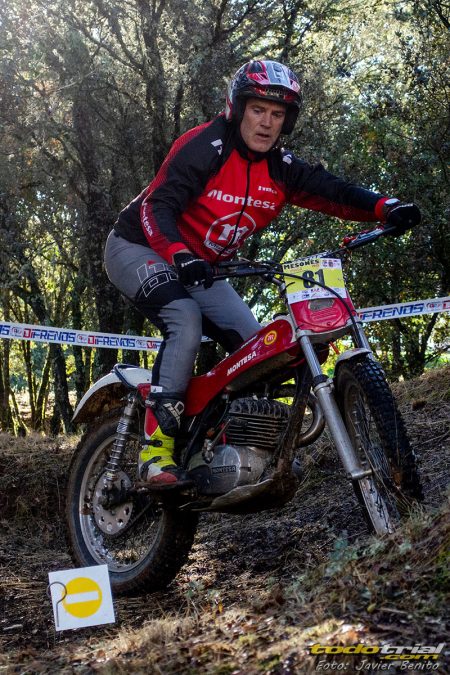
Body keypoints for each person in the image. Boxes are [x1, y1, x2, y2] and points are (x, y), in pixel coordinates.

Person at [104, 59, 421, 489]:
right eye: (258, 110)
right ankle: (154, 453)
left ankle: (208, 448)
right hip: (137, 246)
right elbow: (155, 206)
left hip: (203, 266)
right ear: (237, 110)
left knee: (256, 349)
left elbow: (333, 190)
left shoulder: (281, 167)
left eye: (277, 114)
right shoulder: (205, 147)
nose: (267, 123)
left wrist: (386, 206)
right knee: (184, 318)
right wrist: (179, 254)